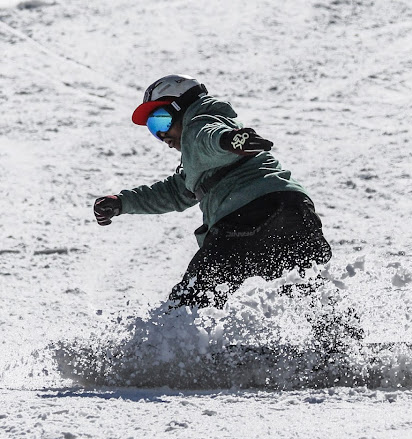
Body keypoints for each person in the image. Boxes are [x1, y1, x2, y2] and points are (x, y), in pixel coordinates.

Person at [93, 74, 333, 311]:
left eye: (161, 120)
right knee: (307, 289)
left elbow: (208, 137)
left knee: (190, 302)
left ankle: (172, 345)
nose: (162, 136)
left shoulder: (197, 124)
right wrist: (123, 202)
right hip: (293, 208)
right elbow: (175, 192)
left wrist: (230, 141)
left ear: (182, 107)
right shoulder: (200, 166)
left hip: (246, 216)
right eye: (153, 129)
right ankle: (338, 339)